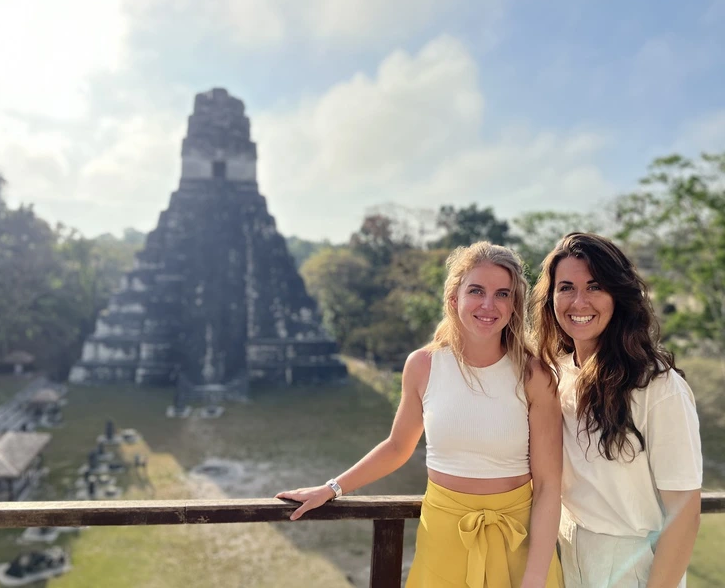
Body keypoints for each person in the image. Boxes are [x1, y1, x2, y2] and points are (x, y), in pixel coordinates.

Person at [276, 242, 564, 588]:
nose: (489, 305)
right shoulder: (423, 365)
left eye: (502, 294)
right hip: (442, 537)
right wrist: (332, 488)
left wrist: (534, 579)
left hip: (519, 541)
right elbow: (398, 446)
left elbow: (548, 485)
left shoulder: (534, 375)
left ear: (514, 305)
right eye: (476, 291)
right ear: (454, 298)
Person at [531, 233, 702, 588]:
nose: (579, 301)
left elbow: (684, 514)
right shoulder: (556, 375)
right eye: (566, 287)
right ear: (550, 299)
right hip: (566, 556)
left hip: (634, 568)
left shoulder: (658, 387)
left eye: (595, 286)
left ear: (618, 296)